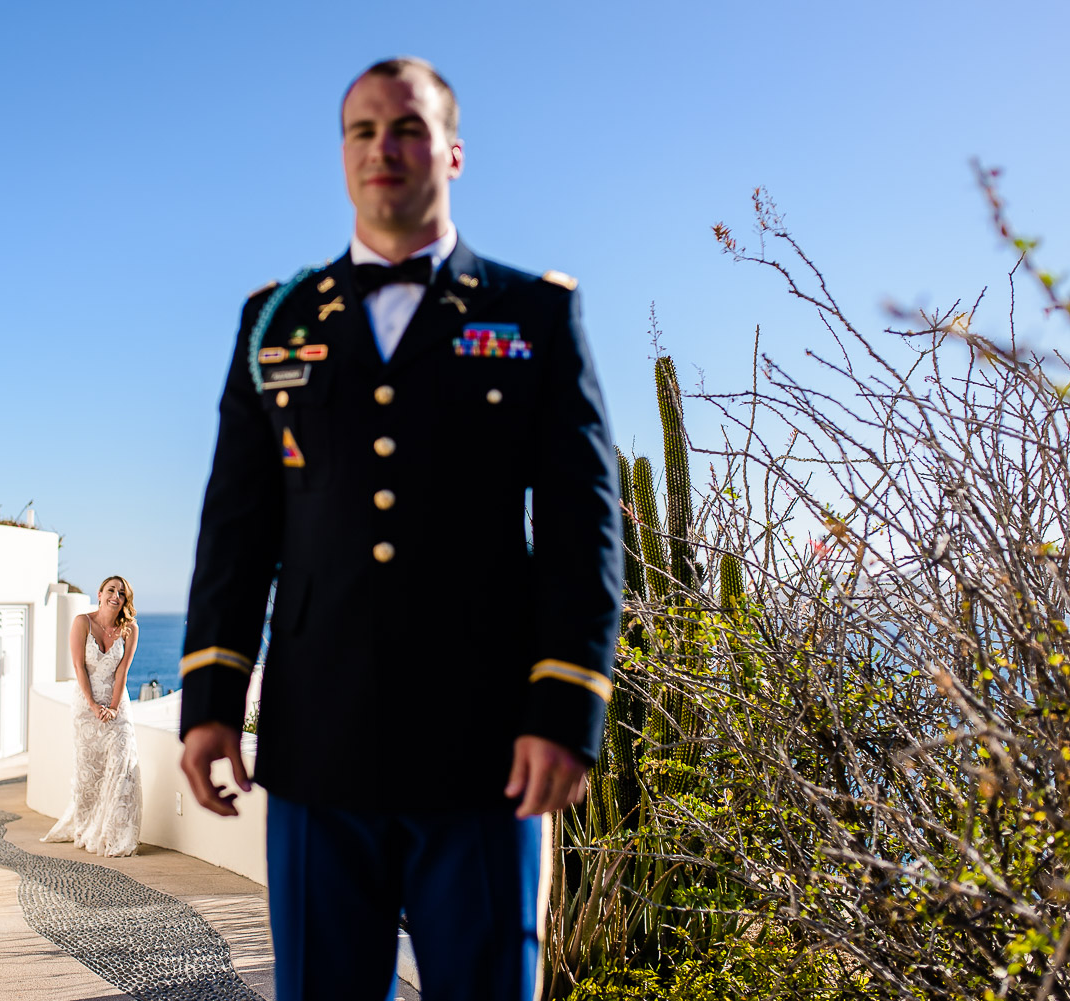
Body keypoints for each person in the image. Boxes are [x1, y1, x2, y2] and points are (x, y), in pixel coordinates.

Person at [179, 57, 621, 1001]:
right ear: (343, 156)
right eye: (364, 130)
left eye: (409, 127)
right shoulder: (277, 319)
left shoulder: (532, 312)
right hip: (314, 739)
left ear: (453, 152)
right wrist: (212, 696)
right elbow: (237, 523)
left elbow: (585, 520)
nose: (386, 147)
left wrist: (565, 706)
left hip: (488, 745)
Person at [42, 575, 143, 857]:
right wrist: (93, 705)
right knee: (90, 773)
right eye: (111, 590)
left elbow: (122, 671)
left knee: (122, 765)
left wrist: (112, 706)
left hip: (117, 705)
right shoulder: (82, 623)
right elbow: (78, 667)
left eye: (122, 593)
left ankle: (116, 833)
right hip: (86, 707)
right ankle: (87, 828)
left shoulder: (130, 629)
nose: (116, 596)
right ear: (99, 594)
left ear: (125, 600)